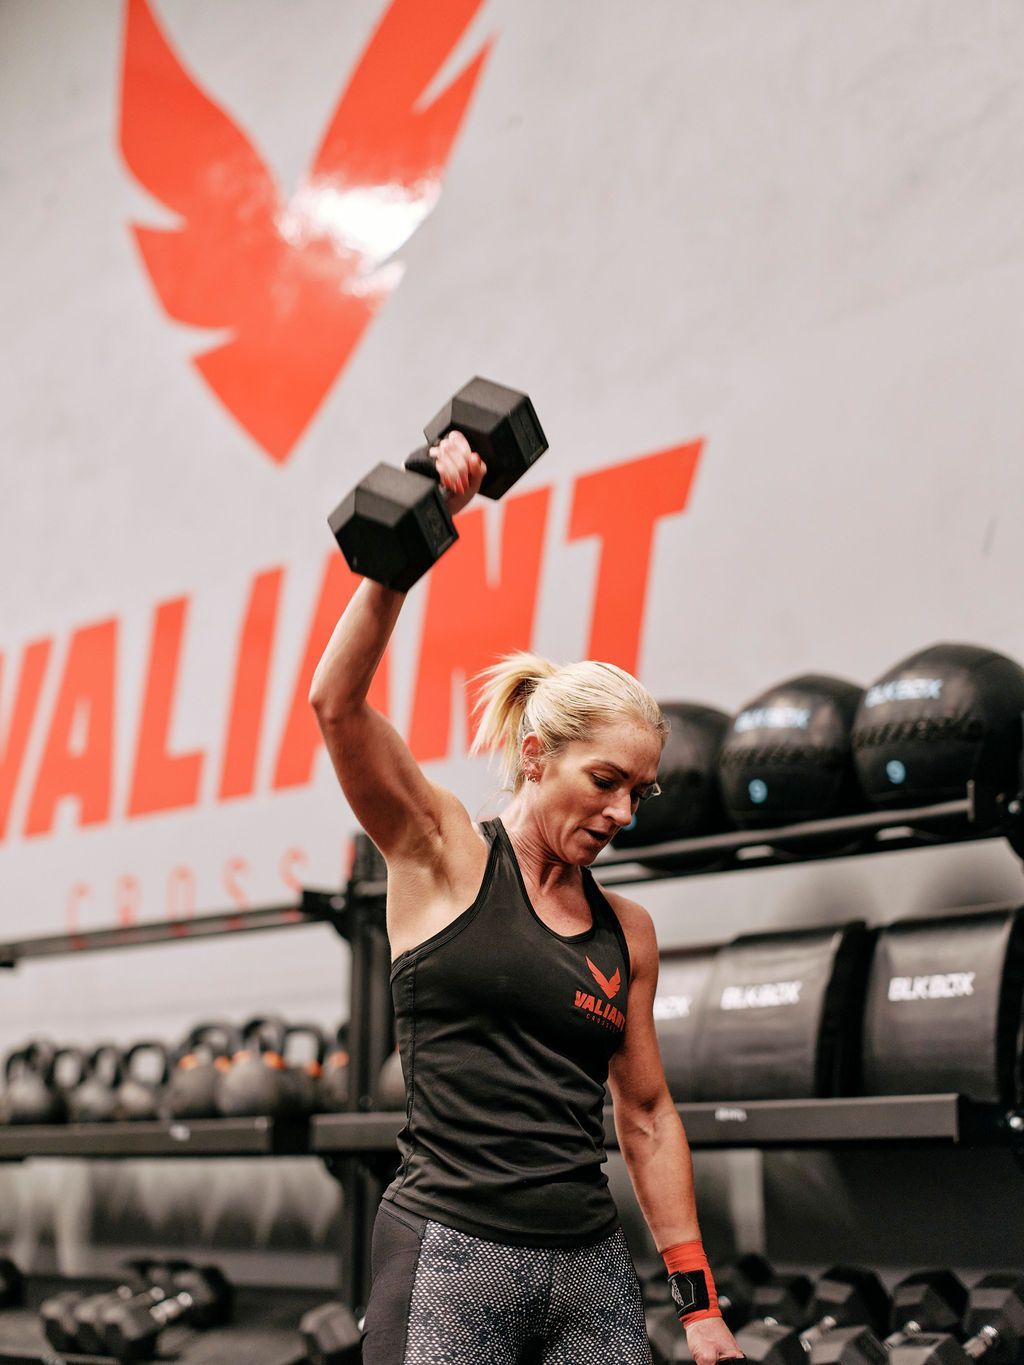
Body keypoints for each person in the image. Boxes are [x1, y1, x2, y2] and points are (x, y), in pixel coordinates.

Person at [310, 430, 744, 1365]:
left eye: (640, 791)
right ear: (537, 756)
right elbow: (336, 704)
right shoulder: (442, 850)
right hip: (451, 1253)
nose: (622, 811)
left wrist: (699, 1302)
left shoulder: (627, 931)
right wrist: (407, 548)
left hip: (589, 1268)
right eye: (605, 780)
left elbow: (647, 1114)